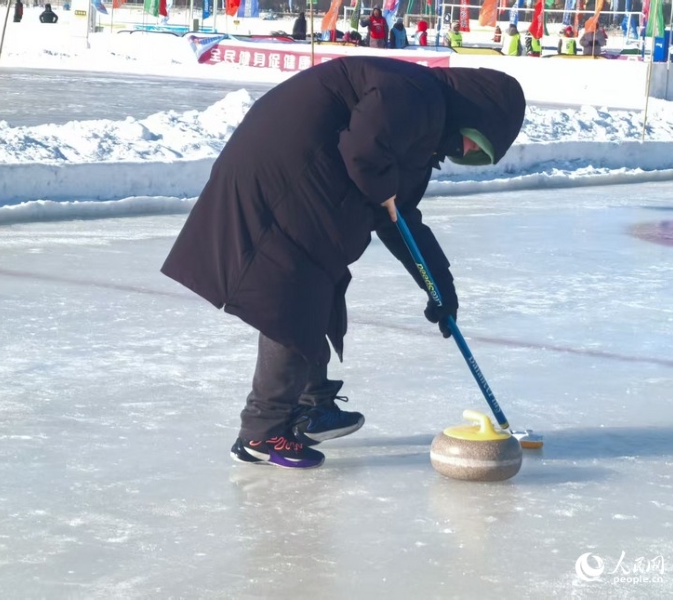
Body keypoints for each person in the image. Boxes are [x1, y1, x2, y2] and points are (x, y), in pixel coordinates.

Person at [161, 57, 526, 469]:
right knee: (292, 301)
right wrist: (385, 190)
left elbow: (399, 216)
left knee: (317, 287)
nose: (468, 151)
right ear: (476, 114)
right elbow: (363, 153)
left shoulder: (423, 126)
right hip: (278, 179)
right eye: (477, 141)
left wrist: (439, 287)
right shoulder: (414, 93)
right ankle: (262, 434)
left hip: (303, 187)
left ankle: (311, 405)